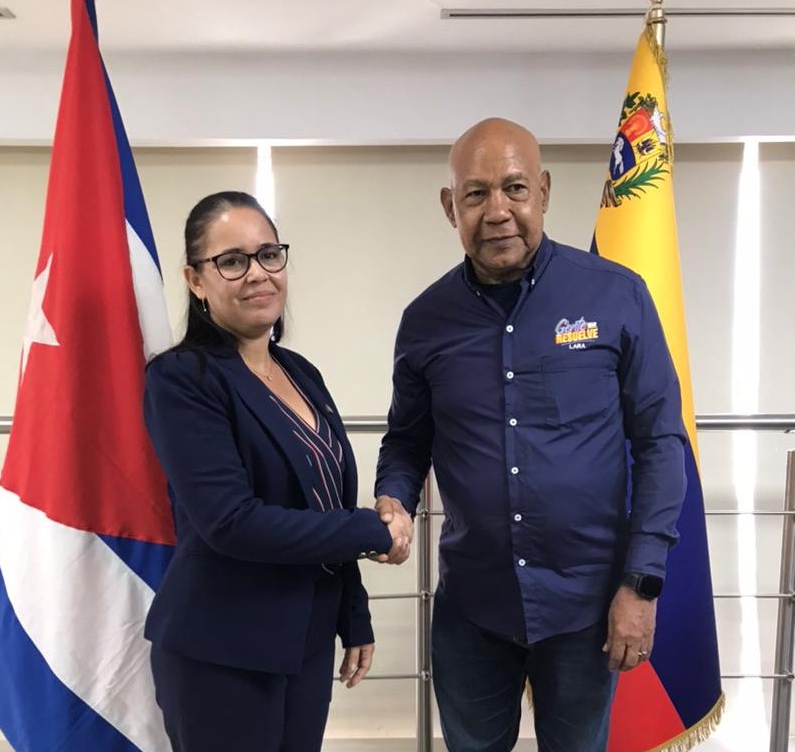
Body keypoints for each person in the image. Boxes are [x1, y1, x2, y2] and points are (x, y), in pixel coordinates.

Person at [374, 118, 687, 752]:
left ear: (543, 191)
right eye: (476, 193)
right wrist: (392, 498)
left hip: (586, 608)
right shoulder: (425, 321)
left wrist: (641, 584)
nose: (498, 211)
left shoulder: (617, 297)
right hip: (473, 607)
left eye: (514, 188)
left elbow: (660, 443)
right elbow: (406, 439)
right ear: (450, 207)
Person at [143, 191, 412, 752]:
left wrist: (353, 613)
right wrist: (373, 529)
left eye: (269, 254)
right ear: (195, 280)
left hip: (304, 642)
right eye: (232, 261)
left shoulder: (300, 372)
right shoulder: (182, 379)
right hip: (222, 650)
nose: (257, 273)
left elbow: (326, 502)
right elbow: (231, 522)